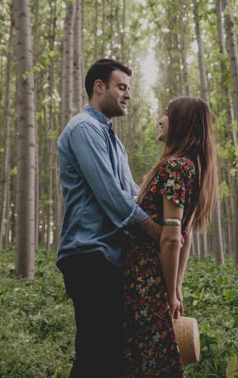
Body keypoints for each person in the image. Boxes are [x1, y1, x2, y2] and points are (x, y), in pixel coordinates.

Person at [57, 58, 163, 378]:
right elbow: (110, 194)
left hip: (111, 256)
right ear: (99, 87)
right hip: (89, 253)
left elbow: (132, 192)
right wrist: (154, 230)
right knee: (95, 352)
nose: (128, 94)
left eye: (129, 89)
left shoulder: (113, 140)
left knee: (112, 352)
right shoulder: (83, 128)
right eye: (121, 87)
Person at [123, 96, 219, 378]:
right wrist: (175, 287)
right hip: (153, 279)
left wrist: (167, 291)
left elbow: (172, 238)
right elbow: (185, 235)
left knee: (146, 363)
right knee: (157, 361)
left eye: (166, 114)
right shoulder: (191, 168)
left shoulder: (174, 168)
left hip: (145, 279)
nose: (160, 119)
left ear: (181, 123)